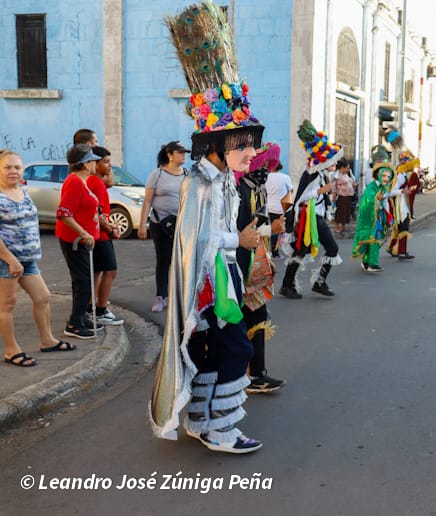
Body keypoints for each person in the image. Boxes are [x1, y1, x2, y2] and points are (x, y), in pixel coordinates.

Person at [151, 1, 267, 453]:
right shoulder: (198, 182)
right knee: (235, 351)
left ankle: (201, 420)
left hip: (222, 280)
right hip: (206, 286)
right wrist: (236, 239)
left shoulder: (225, 180)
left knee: (217, 353)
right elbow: (194, 239)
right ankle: (221, 429)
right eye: (244, 143)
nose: (251, 151)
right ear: (218, 142)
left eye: (252, 144)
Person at [0, 150, 75, 367]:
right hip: (7, 260)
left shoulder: (23, 189)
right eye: (7, 167)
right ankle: (12, 350)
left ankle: (47, 340)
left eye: (17, 167)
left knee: (42, 297)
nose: (13, 171)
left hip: (28, 258)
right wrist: (10, 259)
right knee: (7, 305)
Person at [235, 145, 286, 393]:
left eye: (268, 166)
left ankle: (255, 373)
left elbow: (260, 225)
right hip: (239, 261)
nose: (265, 170)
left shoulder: (257, 188)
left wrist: (271, 231)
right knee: (246, 315)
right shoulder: (238, 190)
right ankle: (247, 374)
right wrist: (270, 230)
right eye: (262, 166)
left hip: (256, 259)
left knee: (257, 313)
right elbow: (241, 232)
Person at [279, 120, 343, 299]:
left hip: (317, 218)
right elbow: (300, 199)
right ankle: (302, 283)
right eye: (333, 161)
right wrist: (321, 190)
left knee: (313, 250)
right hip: (310, 219)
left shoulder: (321, 174)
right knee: (323, 248)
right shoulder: (313, 175)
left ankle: (305, 283)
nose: (336, 164)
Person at [56, 144, 101, 339]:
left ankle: (80, 316)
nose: (95, 163)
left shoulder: (81, 181)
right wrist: (83, 233)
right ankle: (74, 322)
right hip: (74, 241)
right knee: (83, 281)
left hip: (81, 240)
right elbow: (64, 212)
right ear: (84, 164)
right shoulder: (74, 182)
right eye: (91, 160)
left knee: (82, 280)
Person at [137, 141, 189, 312]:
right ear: (170, 154)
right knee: (163, 259)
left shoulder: (187, 174)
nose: (184, 156)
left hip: (180, 224)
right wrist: (142, 225)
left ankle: (180, 296)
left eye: (185, 153)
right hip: (159, 224)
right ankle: (161, 296)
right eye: (180, 152)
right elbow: (147, 200)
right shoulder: (157, 174)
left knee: (182, 261)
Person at [85, 146, 123, 326]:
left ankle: (92, 307)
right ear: (94, 163)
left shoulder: (95, 182)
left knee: (98, 271)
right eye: (105, 162)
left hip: (98, 233)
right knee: (110, 270)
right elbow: (99, 213)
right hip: (99, 235)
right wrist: (111, 229)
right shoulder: (95, 183)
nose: (109, 166)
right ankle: (99, 309)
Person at [353, 146, 396, 272]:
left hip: (379, 215)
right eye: (384, 175)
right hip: (372, 216)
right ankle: (372, 263)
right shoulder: (372, 186)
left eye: (388, 177)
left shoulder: (381, 187)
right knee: (374, 238)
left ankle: (366, 262)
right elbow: (370, 199)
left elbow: (386, 196)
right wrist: (378, 199)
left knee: (375, 237)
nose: (386, 179)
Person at [384, 126, 418, 260]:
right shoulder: (399, 175)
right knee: (403, 228)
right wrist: (403, 191)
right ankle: (402, 252)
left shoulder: (405, 174)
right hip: (399, 205)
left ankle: (391, 247)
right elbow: (390, 191)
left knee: (399, 228)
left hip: (404, 204)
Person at [332, 158, 355, 237]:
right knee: (340, 212)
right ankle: (337, 226)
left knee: (346, 212)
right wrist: (334, 196)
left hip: (348, 196)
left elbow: (350, 183)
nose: (348, 169)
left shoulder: (346, 175)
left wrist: (354, 185)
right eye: (347, 168)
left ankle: (343, 226)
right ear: (342, 167)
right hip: (342, 195)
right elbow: (333, 186)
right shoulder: (336, 175)